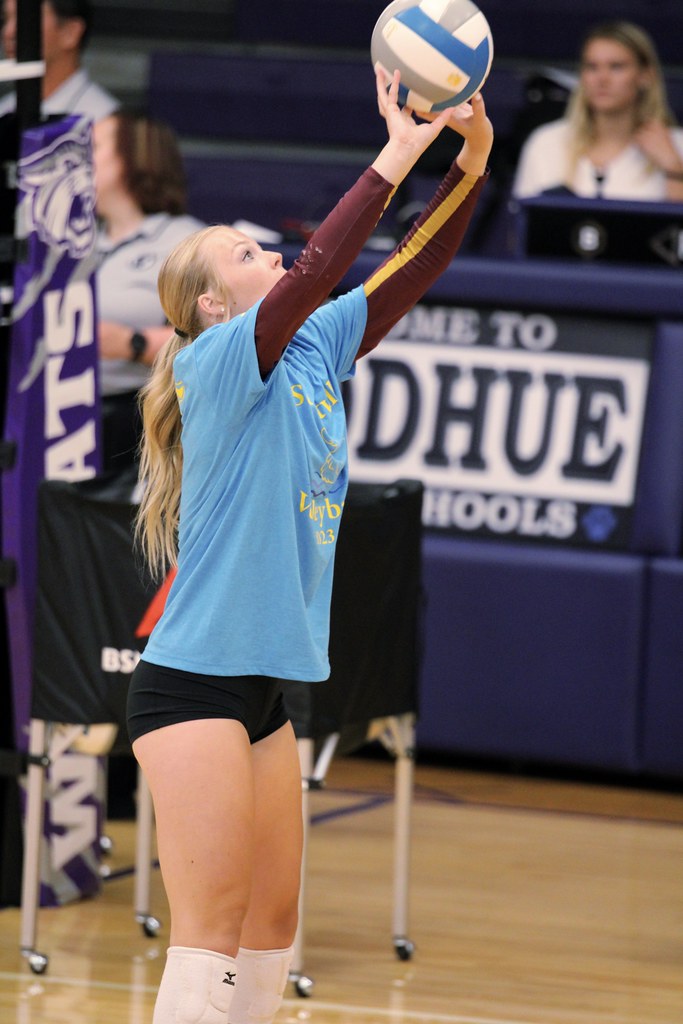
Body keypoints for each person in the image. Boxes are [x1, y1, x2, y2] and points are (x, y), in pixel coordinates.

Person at [127, 66, 492, 1024]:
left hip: (263, 689)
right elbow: (318, 268)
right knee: (208, 930)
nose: (271, 256)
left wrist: (472, 165)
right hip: (191, 683)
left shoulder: (312, 346)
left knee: (271, 927)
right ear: (212, 304)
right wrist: (394, 155)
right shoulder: (216, 361)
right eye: (244, 252)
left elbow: (411, 267)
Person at [92, 110, 203, 473]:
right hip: (56, 416)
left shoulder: (186, 241)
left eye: (92, 147)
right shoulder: (73, 242)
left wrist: (132, 342)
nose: (77, 161)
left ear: (135, 155)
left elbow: (221, 336)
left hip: (138, 424)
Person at [512, 21, 683, 202]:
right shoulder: (546, 144)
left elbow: (676, 228)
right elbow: (523, 224)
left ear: (645, 75)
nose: (602, 79)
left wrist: (674, 169)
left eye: (616, 66)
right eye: (592, 67)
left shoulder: (677, 145)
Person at [0, 0, 118, 121]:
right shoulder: (5, 110)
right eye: (5, 19)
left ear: (70, 32)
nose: (8, 32)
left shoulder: (101, 120)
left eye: (26, 19)